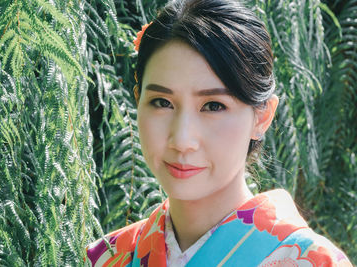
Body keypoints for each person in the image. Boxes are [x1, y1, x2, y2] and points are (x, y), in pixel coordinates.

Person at [85, 0, 353, 266]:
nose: (182, 140)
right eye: (162, 102)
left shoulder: (315, 261)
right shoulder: (108, 257)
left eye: (213, 106)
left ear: (262, 117)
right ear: (138, 100)